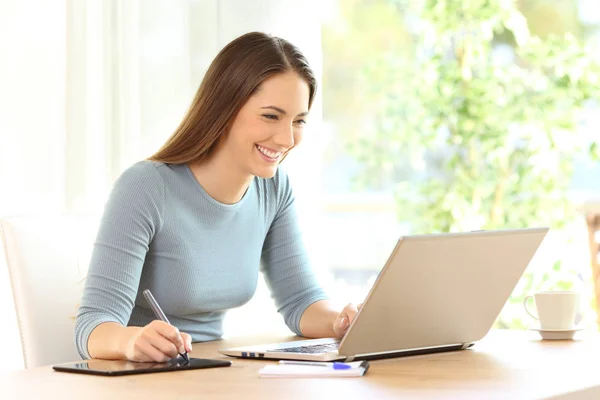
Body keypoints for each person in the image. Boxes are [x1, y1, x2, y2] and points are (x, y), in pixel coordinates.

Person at [74, 31, 360, 363]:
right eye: (271, 116)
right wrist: (130, 341)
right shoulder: (146, 187)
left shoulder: (274, 189)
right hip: (138, 378)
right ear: (225, 107)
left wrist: (342, 320)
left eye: (298, 121)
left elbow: (301, 301)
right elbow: (92, 326)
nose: (286, 138)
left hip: (208, 372)